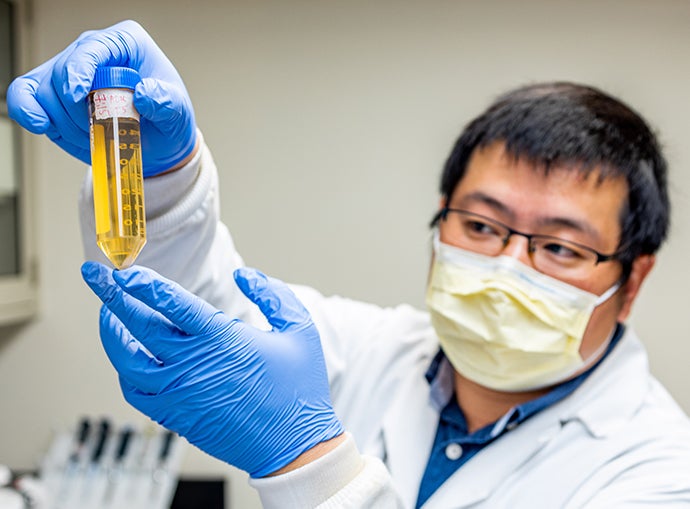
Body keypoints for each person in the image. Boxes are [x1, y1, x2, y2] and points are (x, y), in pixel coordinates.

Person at [8, 19, 690, 508]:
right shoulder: (372, 350)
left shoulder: (660, 471)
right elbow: (194, 310)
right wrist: (162, 177)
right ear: (440, 217)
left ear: (631, 281)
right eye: (481, 224)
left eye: (560, 246)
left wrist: (309, 463)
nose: (510, 265)